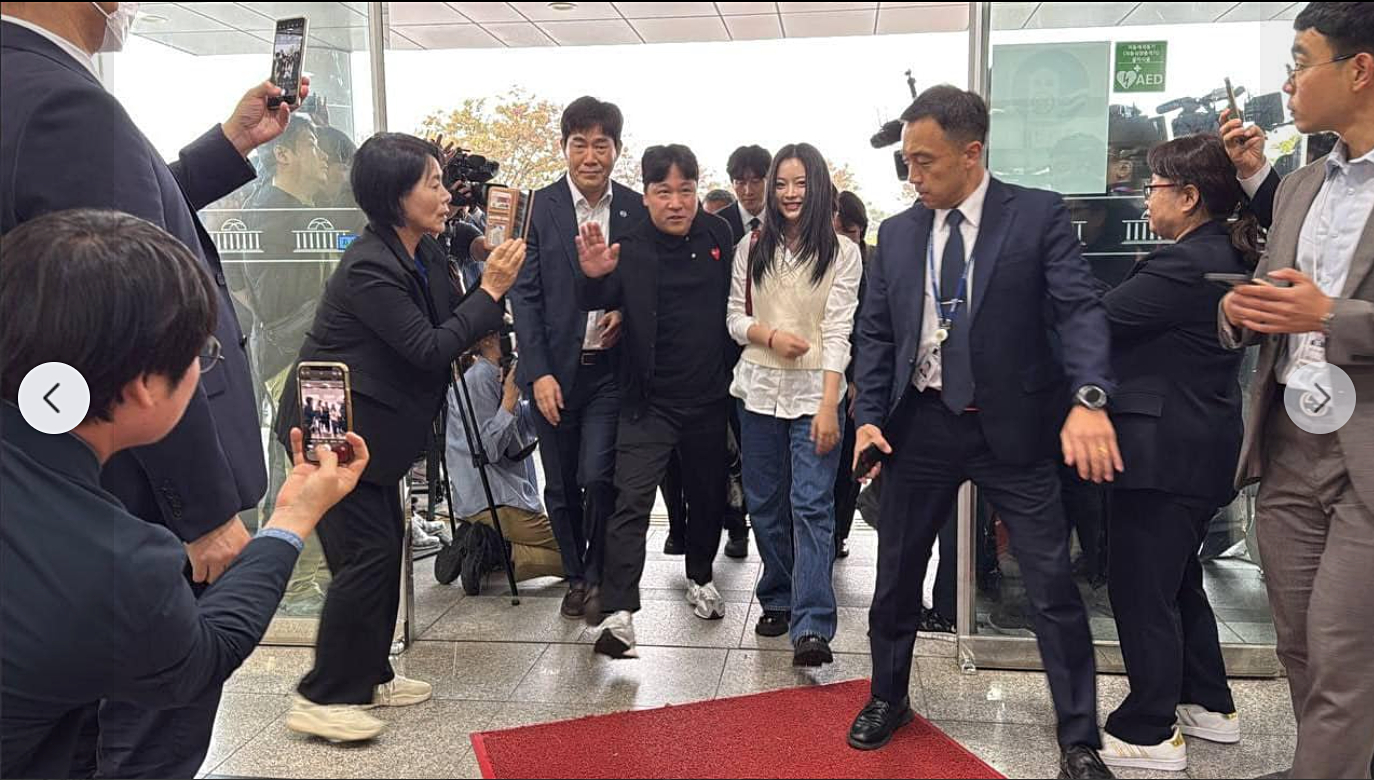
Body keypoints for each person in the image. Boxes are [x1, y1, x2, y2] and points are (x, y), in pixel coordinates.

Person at [0, 3, 312, 775]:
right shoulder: (58, 99)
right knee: (139, 738)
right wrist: (205, 515)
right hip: (130, 501)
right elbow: (124, 302)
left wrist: (228, 147)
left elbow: (99, 235)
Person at [0, 210, 369, 779]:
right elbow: (201, 655)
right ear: (145, 387)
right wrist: (293, 517)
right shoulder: (115, 564)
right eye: (205, 356)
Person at [848, 85, 1119, 780]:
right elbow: (877, 333)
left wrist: (1089, 397)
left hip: (1015, 431)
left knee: (1052, 585)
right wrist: (869, 417)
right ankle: (888, 696)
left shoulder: (1034, 215)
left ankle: (1079, 739)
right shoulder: (900, 233)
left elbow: (1079, 309)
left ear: (973, 153)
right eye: (906, 162)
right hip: (924, 427)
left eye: (926, 161)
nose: (913, 176)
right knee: (896, 577)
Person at [271, 132, 527, 742]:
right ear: (395, 196)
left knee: (385, 551)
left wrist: (483, 277)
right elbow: (428, 347)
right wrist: (490, 291)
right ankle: (322, 696)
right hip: (333, 430)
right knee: (365, 558)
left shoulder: (425, 251)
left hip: (376, 435)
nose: (446, 195)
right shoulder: (368, 266)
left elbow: (451, 323)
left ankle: (371, 674)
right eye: (433, 184)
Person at [1219, 5, 1374, 778]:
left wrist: (1331, 315)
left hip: (1366, 452)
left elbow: (1321, 309)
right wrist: (1237, 310)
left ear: (1360, 68)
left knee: (1348, 653)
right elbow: (1267, 291)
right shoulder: (1300, 185)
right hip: (1286, 439)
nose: (1287, 81)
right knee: (1300, 644)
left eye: (1301, 60)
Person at [1094, 134, 1259, 772]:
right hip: (1197, 446)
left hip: (1163, 455)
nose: (1145, 196)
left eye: (1155, 186)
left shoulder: (1187, 264)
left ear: (1189, 197)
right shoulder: (1215, 254)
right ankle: (1208, 702)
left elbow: (1097, 317)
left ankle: (1149, 728)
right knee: (1176, 580)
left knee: (1140, 588)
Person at [576, 144, 738, 659]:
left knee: (708, 496)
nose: (676, 202)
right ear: (645, 196)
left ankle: (700, 576)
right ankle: (621, 611)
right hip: (648, 401)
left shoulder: (719, 235)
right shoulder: (630, 245)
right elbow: (597, 302)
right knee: (631, 502)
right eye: (663, 192)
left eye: (686, 191)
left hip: (709, 397)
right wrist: (596, 276)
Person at [509, 96, 645, 621]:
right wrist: (537, 373)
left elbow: (645, 284)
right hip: (553, 371)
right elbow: (526, 296)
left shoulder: (633, 208)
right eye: (580, 144)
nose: (591, 156)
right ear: (564, 148)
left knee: (598, 477)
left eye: (601, 145)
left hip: (610, 373)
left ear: (616, 149)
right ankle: (574, 572)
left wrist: (625, 313)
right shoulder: (537, 208)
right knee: (561, 485)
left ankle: (596, 577)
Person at [728, 145, 861, 664]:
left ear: (819, 185)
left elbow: (838, 332)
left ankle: (813, 625)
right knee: (764, 503)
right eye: (781, 184)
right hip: (757, 390)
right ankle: (777, 596)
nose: (788, 194)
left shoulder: (842, 253)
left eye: (799, 183)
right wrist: (768, 335)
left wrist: (830, 404)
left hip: (814, 395)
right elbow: (734, 321)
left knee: (811, 503)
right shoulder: (752, 246)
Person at [446, 333, 564, 594]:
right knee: (576, 555)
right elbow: (487, 450)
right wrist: (509, 400)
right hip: (496, 501)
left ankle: (484, 540)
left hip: (497, 498)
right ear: (488, 338)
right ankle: (496, 552)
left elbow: (523, 434)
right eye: (508, 329)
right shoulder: (478, 380)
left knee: (572, 544)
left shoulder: (499, 374)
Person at [832, 190, 869, 560]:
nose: (844, 240)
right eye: (837, 231)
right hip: (822, 378)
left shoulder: (873, 264)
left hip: (858, 382)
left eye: (851, 232)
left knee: (849, 465)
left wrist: (860, 378)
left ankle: (839, 531)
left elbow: (870, 330)